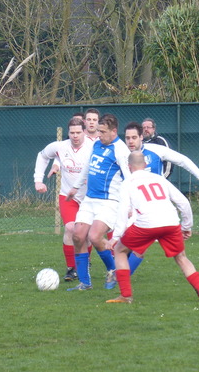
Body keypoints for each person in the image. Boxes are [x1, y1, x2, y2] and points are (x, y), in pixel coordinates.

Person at [105, 151, 199, 303]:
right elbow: (183, 202)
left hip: (146, 224)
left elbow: (123, 210)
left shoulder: (127, 183)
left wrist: (116, 237)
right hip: (170, 222)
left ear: (129, 167)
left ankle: (126, 295)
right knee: (181, 257)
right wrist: (186, 226)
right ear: (145, 165)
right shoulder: (159, 178)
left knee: (120, 250)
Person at [124, 122, 199, 274]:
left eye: (134, 137)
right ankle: (118, 274)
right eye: (127, 138)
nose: (131, 141)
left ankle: (119, 276)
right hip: (133, 202)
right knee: (127, 243)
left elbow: (182, 159)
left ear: (141, 137)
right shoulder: (121, 153)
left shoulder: (155, 150)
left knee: (183, 202)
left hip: (156, 197)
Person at [66, 113, 130, 291]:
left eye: (103, 131)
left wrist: (131, 205)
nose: (99, 135)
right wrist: (75, 188)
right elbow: (87, 167)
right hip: (89, 199)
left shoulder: (121, 150)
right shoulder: (96, 144)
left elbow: (130, 178)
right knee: (78, 236)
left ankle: (113, 269)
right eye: (98, 131)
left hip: (109, 201)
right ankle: (85, 283)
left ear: (114, 131)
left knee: (94, 237)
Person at [34, 117, 92, 281]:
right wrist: (38, 180)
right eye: (72, 133)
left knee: (87, 235)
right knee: (70, 229)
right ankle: (71, 268)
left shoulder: (94, 147)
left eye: (78, 132)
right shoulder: (60, 147)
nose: (75, 136)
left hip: (89, 198)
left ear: (84, 132)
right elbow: (42, 155)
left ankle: (85, 264)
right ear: (68, 133)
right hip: (68, 196)